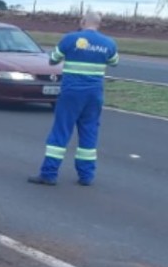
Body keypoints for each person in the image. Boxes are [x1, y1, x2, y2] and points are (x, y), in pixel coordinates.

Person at [28, 10, 118, 187]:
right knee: (89, 132)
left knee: (61, 131)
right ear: (99, 24)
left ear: (83, 21)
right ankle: (86, 176)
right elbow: (114, 62)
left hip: (72, 93)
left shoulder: (70, 39)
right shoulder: (109, 43)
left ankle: (49, 173)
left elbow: (53, 60)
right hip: (94, 94)